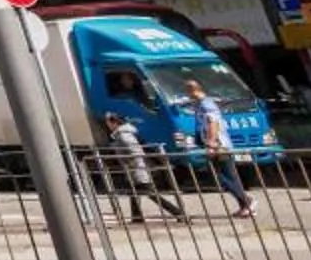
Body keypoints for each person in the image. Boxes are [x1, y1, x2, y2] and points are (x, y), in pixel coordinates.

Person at [185, 84, 254, 219]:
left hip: (219, 146)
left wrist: (211, 143)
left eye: (188, 91)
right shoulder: (200, 104)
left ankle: (247, 201)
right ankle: (245, 206)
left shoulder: (206, 104)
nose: (187, 95)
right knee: (227, 176)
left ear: (195, 90)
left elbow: (213, 123)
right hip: (216, 145)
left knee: (224, 177)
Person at [103, 113, 185, 223]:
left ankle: (178, 213)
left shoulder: (123, 134)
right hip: (133, 168)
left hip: (137, 168)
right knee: (133, 191)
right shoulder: (120, 134)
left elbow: (135, 151)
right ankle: (137, 217)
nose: (108, 125)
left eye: (108, 123)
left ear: (115, 122)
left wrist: (129, 161)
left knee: (150, 193)